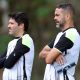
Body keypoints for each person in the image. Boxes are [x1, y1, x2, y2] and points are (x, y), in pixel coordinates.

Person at [39, 3, 80, 80]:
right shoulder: (60, 35)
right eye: (55, 15)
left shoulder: (71, 34)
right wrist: (55, 55)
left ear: (67, 16)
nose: (54, 18)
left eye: (57, 15)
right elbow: (41, 54)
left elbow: (48, 59)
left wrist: (52, 55)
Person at [0, 12, 34, 80]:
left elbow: (8, 64)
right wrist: (8, 58)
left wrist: (6, 59)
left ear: (21, 25)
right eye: (9, 23)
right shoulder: (11, 43)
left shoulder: (27, 39)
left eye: (11, 23)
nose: (8, 26)